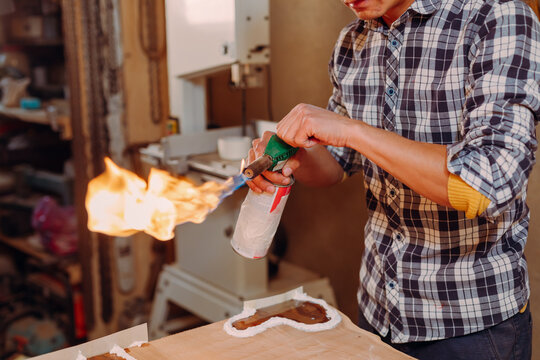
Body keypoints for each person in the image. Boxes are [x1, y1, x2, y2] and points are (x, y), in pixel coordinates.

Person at [247, 0, 540, 358]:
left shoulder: (496, 16)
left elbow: (485, 183)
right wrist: (294, 158)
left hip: (469, 327)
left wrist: (351, 130)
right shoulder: (351, 40)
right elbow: (339, 163)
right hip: (377, 312)